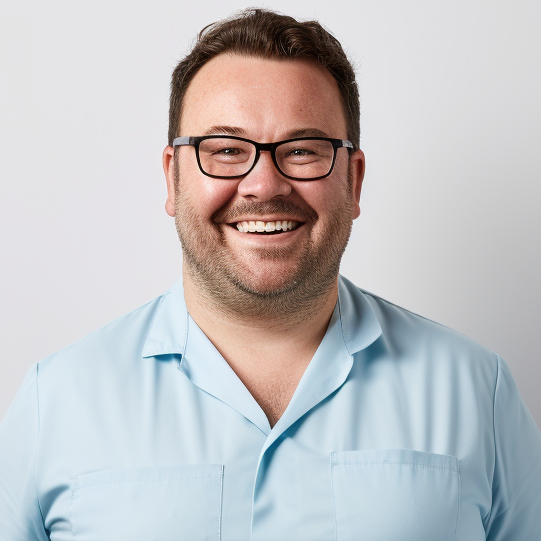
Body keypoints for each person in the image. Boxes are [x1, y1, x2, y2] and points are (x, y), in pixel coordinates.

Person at [1, 8, 540, 540]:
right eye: (226, 150)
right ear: (172, 178)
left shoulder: (477, 392)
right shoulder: (59, 401)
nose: (264, 185)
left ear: (353, 182)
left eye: (302, 150)